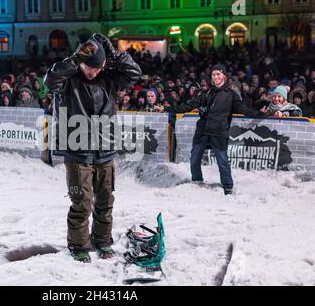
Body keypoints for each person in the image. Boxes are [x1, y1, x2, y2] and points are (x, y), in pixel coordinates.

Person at [44, 33, 141, 263]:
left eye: (98, 67)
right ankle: (78, 244)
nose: (93, 72)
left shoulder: (108, 78)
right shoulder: (69, 79)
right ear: (81, 61)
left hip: (105, 149)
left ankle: (102, 241)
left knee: (106, 200)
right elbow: (50, 80)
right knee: (82, 202)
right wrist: (74, 60)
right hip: (77, 151)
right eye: (89, 66)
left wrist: (117, 55)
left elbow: (134, 74)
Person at [165, 63, 268, 195]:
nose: (215, 77)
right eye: (213, 74)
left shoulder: (230, 94)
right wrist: (168, 108)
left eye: (218, 74)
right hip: (202, 131)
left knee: (222, 162)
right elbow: (188, 106)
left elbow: (244, 109)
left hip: (219, 132)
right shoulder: (205, 92)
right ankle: (197, 181)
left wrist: (259, 114)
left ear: (224, 76)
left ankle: (228, 187)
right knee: (194, 159)